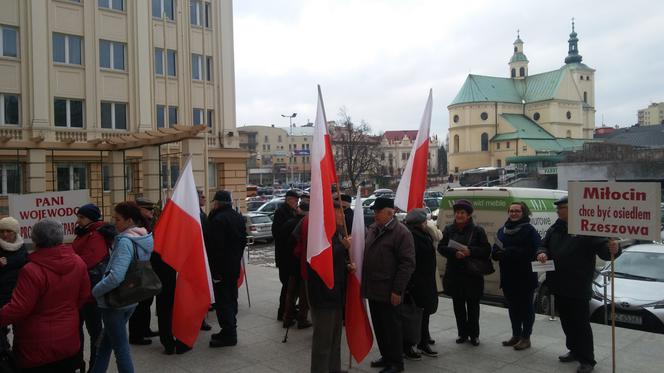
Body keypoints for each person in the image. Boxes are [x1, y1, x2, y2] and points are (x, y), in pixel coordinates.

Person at [536, 196, 619, 373]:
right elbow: (543, 246)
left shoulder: (587, 227)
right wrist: (542, 253)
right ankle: (573, 350)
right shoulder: (555, 227)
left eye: (562, 208)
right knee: (566, 322)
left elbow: (604, 251)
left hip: (578, 285)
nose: (558, 211)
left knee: (581, 324)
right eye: (557, 209)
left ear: (573, 209)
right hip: (557, 283)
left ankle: (587, 359)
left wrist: (613, 249)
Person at [0, 219, 90, 371]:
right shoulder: (78, 261)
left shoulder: (31, 270)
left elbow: (19, 308)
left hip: (36, 347)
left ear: (35, 241)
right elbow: (84, 295)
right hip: (68, 340)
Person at [91, 201, 154, 373]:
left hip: (115, 302)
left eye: (117, 219)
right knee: (105, 345)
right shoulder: (143, 238)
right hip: (131, 298)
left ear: (129, 221)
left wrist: (96, 291)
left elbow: (116, 276)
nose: (114, 222)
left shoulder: (126, 242)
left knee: (121, 349)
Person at [362, 197, 415, 373]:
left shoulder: (401, 233)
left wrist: (397, 290)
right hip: (374, 289)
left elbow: (406, 264)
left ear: (390, 212)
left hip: (389, 290)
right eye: (374, 211)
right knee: (380, 326)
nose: (375, 214)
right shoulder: (373, 229)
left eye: (378, 211)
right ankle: (386, 356)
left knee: (392, 328)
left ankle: (396, 363)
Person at [437, 199, 491, 346]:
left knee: (473, 307)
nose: (459, 215)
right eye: (457, 213)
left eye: (462, 213)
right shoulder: (449, 229)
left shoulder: (477, 230)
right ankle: (462, 333)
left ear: (468, 215)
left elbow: (486, 250)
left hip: (472, 275)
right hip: (455, 274)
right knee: (458, 306)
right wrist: (455, 253)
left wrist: (470, 251)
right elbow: (441, 247)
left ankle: (474, 335)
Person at [491, 202, 541, 351]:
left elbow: (534, 250)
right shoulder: (502, 230)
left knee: (526, 308)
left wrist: (508, 252)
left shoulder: (530, 231)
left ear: (523, 213)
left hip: (525, 276)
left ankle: (526, 338)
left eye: (517, 211)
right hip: (508, 276)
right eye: (511, 211)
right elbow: (495, 251)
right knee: (512, 308)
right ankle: (516, 335)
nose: (513, 213)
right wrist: (497, 254)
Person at [308, 202, 351, 373]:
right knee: (323, 341)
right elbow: (322, 259)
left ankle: (334, 369)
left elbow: (336, 263)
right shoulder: (321, 235)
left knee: (335, 339)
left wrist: (347, 267)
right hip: (323, 295)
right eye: (339, 213)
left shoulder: (337, 233)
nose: (343, 216)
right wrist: (343, 247)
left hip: (336, 293)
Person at [206, 190, 247, 347]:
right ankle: (229, 329)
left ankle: (229, 334)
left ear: (217, 203)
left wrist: (215, 271)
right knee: (232, 297)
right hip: (233, 265)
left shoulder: (218, 220)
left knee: (223, 301)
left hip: (221, 269)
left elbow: (215, 249)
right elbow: (243, 241)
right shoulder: (237, 216)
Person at [72, 204, 110, 371]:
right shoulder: (85, 232)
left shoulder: (96, 235)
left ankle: (95, 366)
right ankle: (78, 363)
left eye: (81, 217)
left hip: (91, 293)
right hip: (80, 290)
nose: (78, 220)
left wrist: (69, 263)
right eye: (78, 216)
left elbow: (88, 261)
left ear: (91, 218)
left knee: (95, 331)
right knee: (76, 330)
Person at [403, 208, 438, 360]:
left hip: (426, 281)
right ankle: (409, 345)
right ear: (419, 223)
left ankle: (422, 342)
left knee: (424, 314)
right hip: (416, 282)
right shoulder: (411, 236)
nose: (427, 223)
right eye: (425, 221)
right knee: (413, 316)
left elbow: (438, 236)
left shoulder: (423, 234)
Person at [127, 197, 158, 345]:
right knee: (139, 303)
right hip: (138, 268)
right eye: (148, 209)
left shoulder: (146, 223)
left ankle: (145, 329)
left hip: (146, 268)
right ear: (139, 210)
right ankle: (136, 335)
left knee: (146, 301)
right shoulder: (136, 225)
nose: (151, 212)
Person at [282, 200, 312, 329]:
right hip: (302, 262)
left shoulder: (289, 222)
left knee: (291, 293)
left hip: (292, 262)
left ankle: (287, 318)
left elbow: (286, 241)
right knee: (304, 294)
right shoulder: (306, 223)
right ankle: (302, 319)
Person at [0, 217, 28, 352]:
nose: (5, 234)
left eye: (8, 231)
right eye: (2, 231)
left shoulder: (21, 246)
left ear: (15, 232)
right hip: (1, 295)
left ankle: (19, 356)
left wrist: (8, 263)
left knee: (22, 330)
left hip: (19, 295)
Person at [272, 189, 300, 321]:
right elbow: (278, 234)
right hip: (284, 255)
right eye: (296, 201)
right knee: (287, 285)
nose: (297, 203)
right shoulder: (281, 213)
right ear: (289, 200)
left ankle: (290, 310)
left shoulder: (291, 212)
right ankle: (283, 311)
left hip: (290, 256)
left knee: (290, 286)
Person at [197, 189, 213, 332]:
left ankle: (201, 319)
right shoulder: (197, 215)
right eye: (201, 196)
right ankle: (200, 320)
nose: (204, 197)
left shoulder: (202, 213)